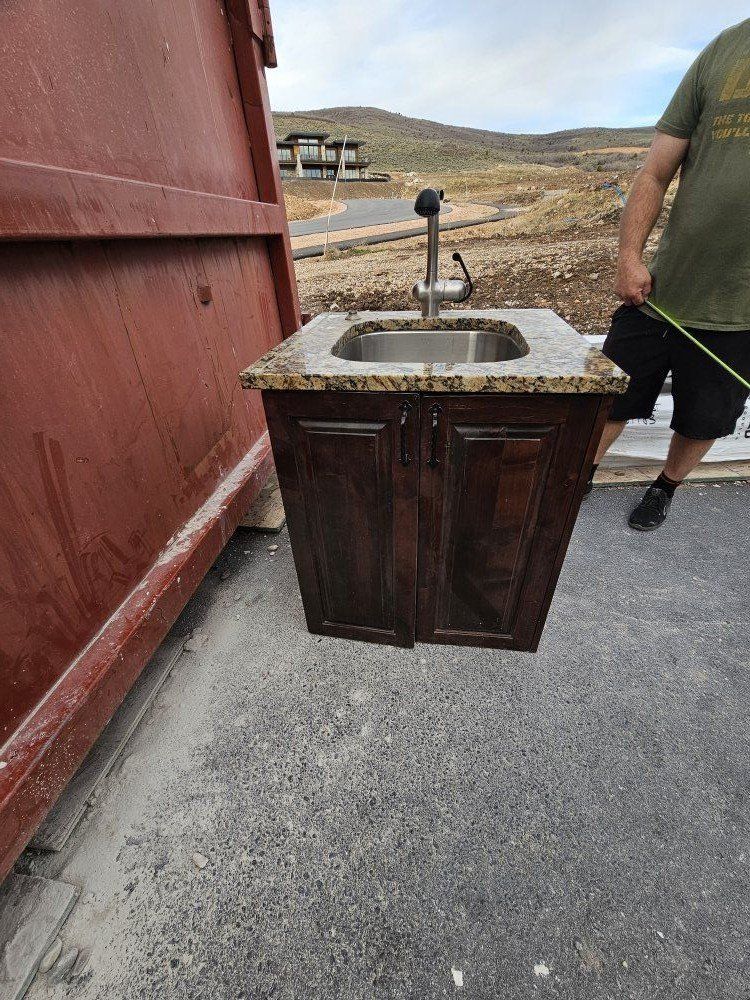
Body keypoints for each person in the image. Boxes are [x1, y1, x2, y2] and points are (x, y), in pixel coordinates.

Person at [589, 18, 750, 530]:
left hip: (741, 312)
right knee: (607, 395)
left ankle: (665, 486)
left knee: (705, 416)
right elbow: (656, 171)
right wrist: (629, 257)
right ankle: (579, 475)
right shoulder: (724, 49)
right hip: (664, 288)